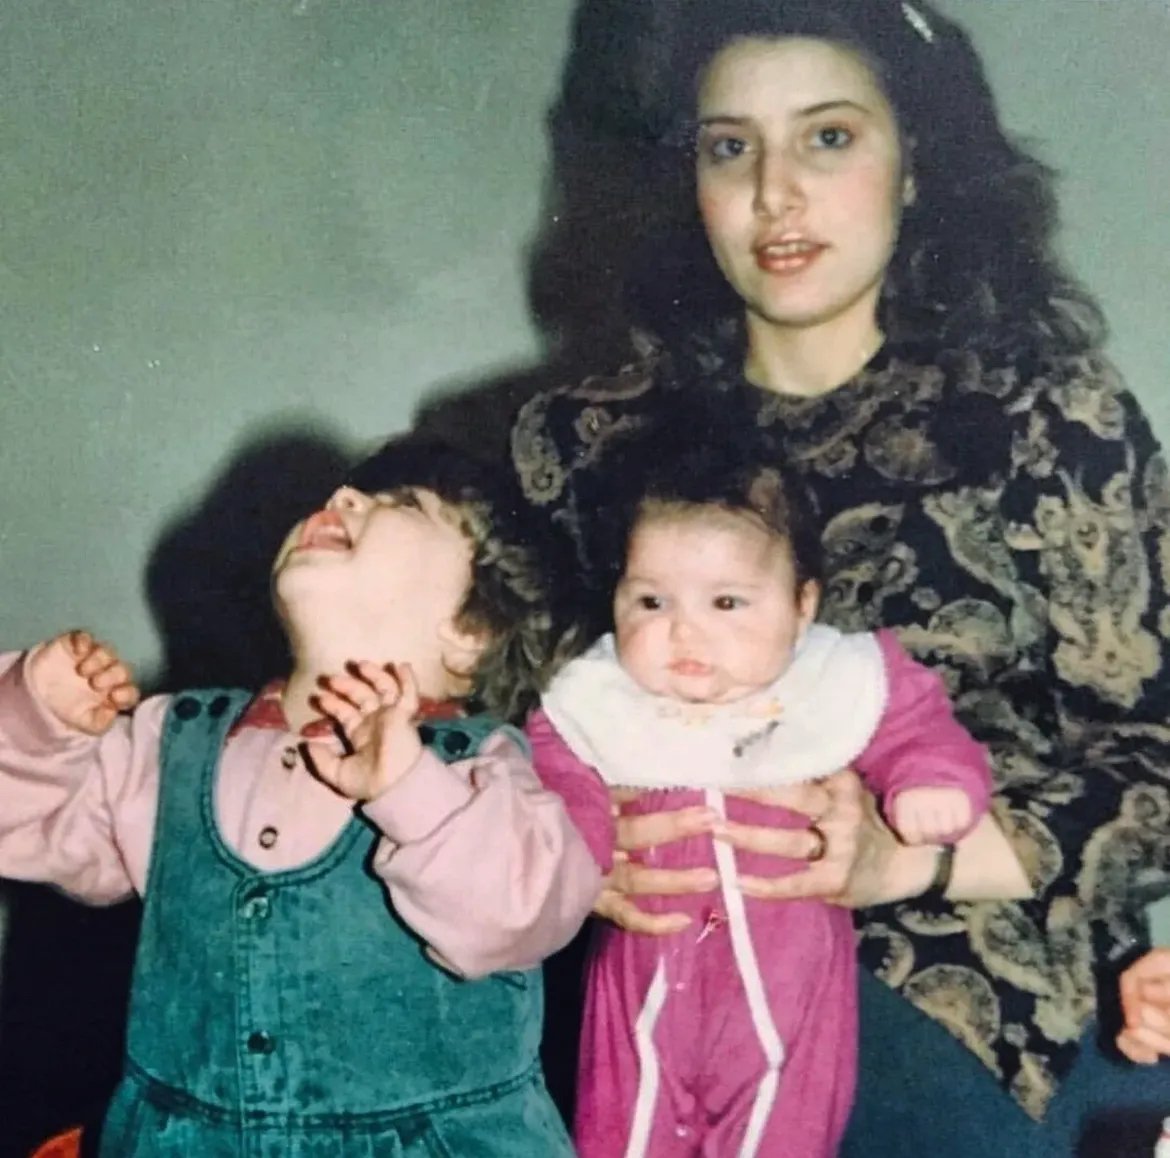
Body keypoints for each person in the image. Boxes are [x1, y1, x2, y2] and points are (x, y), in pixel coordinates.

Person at [510, 0, 1170, 1152]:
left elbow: (1153, 750)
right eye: (730, 147)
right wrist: (568, 856)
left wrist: (908, 857)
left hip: (957, 965)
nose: (775, 192)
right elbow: (488, 720)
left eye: (827, 136)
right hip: (646, 974)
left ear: (915, 165)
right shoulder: (580, 442)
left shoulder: (1045, 419)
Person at [0, 436, 601, 1156]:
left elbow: (520, 914)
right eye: (350, 492)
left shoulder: (481, 772)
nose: (342, 497)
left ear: (471, 631)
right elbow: (26, 825)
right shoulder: (171, 744)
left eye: (403, 503)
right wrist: (33, 719)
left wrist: (410, 789)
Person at [528, 416, 992, 1156]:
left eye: (726, 603)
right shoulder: (599, 695)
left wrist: (929, 781)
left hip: (789, 975)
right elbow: (555, 765)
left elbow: (915, 723)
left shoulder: (835, 678)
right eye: (651, 602)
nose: (684, 633)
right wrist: (577, 839)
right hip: (642, 972)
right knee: (619, 1118)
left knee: (782, 1119)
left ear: (803, 606)